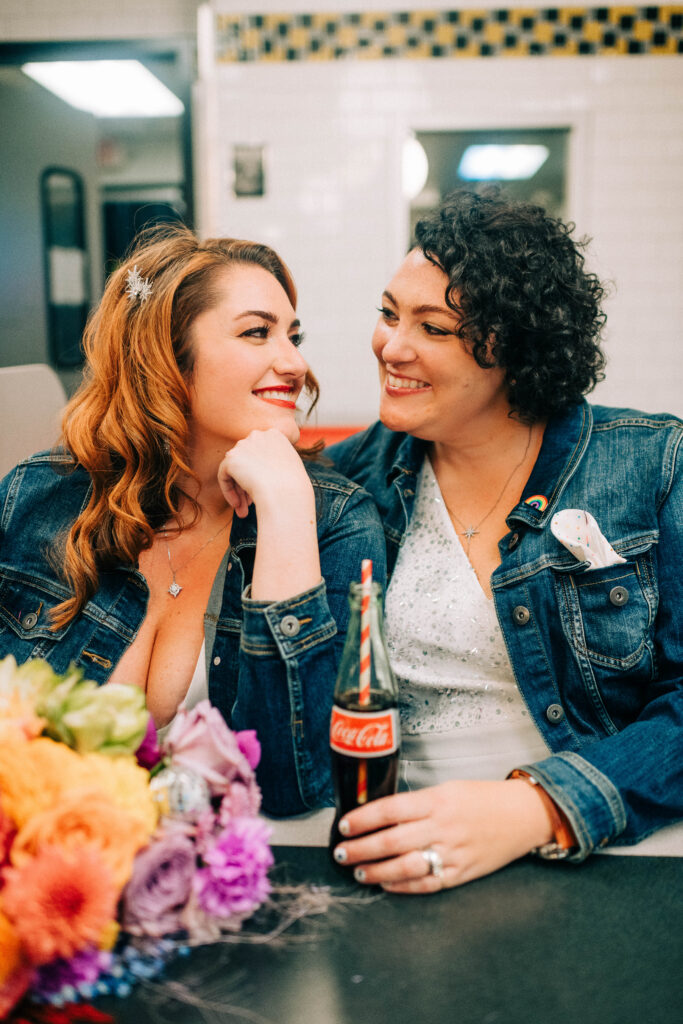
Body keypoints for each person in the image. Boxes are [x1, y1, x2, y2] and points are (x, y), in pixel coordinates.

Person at [328, 187, 683, 892]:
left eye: (431, 328)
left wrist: (535, 806)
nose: (390, 347)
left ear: (513, 349)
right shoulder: (343, 482)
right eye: (388, 314)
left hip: (607, 839)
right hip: (394, 844)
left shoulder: (649, 464)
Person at [0, 225, 385, 817]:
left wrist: (284, 511)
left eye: (293, 335)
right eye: (257, 332)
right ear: (167, 359)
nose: (296, 363)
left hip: (240, 875)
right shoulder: (40, 496)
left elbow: (294, 787)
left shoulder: (333, 517)